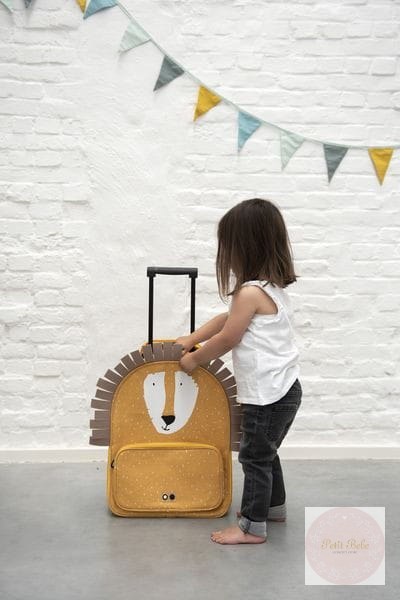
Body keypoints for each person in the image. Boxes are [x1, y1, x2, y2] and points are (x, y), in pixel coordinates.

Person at [175, 198, 302, 545]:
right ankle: (273, 507)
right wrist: (194, 338)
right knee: (266, 452)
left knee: (254, 456)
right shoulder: (269, 289)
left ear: (244, 248)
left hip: (267, 395)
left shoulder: (249, 293)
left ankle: (251, 526)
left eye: (228, 247)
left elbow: (229, 337)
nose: (226, 256)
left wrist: (196, 359)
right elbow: (225, 321)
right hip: (285, 390)